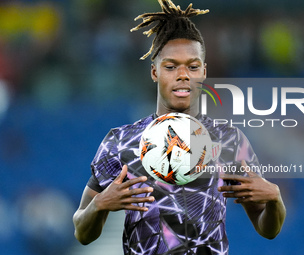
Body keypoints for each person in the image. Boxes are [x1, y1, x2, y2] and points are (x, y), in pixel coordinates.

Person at [73, 1, 286, 254]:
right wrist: (100, 205)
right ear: (154, 72)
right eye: (171, 66)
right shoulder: (120, 142)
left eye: (192, 66)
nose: (183, 75)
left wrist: (275, 198)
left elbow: (267, 229)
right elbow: (81, 233)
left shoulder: (229, 141)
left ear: (204, 72)